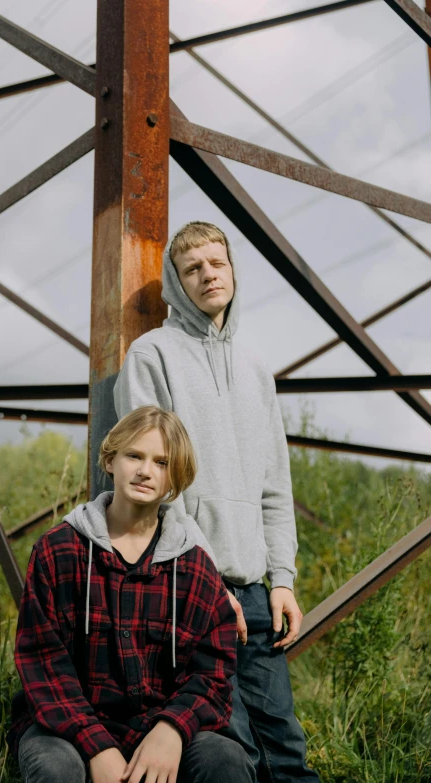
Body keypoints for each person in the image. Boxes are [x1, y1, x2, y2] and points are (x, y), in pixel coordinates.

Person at [114, 222, 319, 782]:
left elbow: (275, 484)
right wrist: (207, 581)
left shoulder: (256, 369)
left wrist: (282, 579)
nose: (209, 274)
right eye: (193, 269)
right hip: (191, 591)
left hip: (256, 593)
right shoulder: (151, 356)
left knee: (286, 750)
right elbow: (155, 486)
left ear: (232, 270)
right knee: (233, 754)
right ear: (176, 285)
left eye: (217, 263)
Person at [7, 405, 256, 783]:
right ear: (110, 460)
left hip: (158, 727)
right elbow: (43, 664)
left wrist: (172, 730)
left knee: (225, 758)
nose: (145, 471)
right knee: (56, 767)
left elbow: (213, 673)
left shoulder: (195, 566)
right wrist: (97, 746)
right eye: (134, 456)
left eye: (161, 462)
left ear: (175, 478)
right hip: (67, 726)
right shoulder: (59, 551)